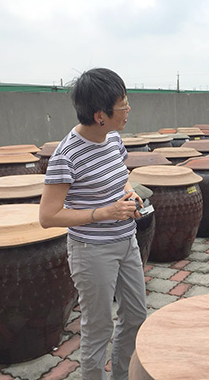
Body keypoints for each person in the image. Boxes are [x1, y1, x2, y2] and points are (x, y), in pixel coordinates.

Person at [39, 68, 147, 380]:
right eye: (123, 105)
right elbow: (48, 216)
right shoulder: (66, 155)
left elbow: (122, 175)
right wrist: (102, 213)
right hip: (91, 251)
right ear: (100, 115)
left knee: (137, 315)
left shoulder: (113, 138)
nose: (128, 111)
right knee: (99, 327)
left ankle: (122, 375)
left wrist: (129, 194)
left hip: (127, 241)